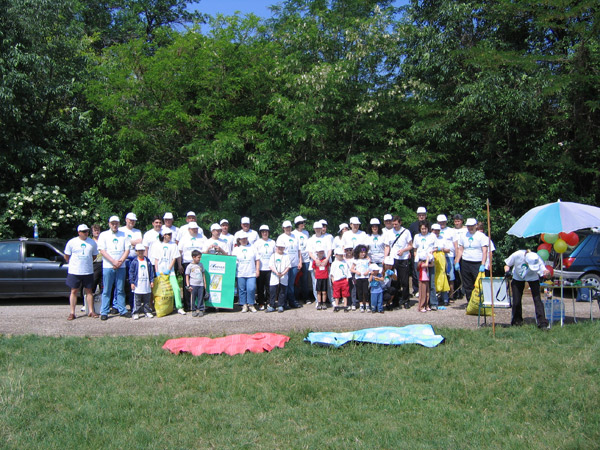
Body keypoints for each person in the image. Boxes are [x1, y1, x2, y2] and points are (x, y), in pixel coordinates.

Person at [504, 250, 549, 329]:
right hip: (518, 277)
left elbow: (544, 271)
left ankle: (542, 323)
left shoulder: (536, 258)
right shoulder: (517, 255)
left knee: (537, 299)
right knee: (516, 301)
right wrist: (507, 271)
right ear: (525, 260)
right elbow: (507, 265)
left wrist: (547, 273)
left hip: (533, 278)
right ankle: (517, 322)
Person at [97, 216, 130, 320]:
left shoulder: (124, 234)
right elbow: (102, 250)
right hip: (108, 266)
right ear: (109, 224)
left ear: (119, 224)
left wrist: (120, 261)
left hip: (121, 266)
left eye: (116, 223)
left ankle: (122, 310)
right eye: (112, 223)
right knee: (106, 290)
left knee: (120, 289)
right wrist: (113, 261)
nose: (114, 225)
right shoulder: (104, 235)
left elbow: (127, 250)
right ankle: (104, 311)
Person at [64, 224, 99, 320]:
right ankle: (72, 312)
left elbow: (94, 256)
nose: (86, 233)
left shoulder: (92, 243)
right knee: (74, 291)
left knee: (89, 291)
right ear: (79, 232)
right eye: (84, 232)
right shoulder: (72, 242)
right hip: (75, 271)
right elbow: (67, 256)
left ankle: (91, 311)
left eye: (87, 231)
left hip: (87, 270)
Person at [454, 218, 488, 303]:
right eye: (468, 226)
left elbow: (485, 251)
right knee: (467, 284)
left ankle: (479, 302)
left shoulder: (481, 236)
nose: (470, 228)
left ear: (475, 226)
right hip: (466, 262)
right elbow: (460, 249)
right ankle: (470, 302)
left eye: (472, 226)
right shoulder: (464, 236)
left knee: (477, 283)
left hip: (477, 262)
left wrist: (483, 264)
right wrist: (457, 261)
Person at [384, 215, 412, 309]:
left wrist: (403, 250)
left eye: (396, 224)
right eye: (393, 224)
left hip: (403, 259)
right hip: (393, 259)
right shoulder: (389, 233)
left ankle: (406, 300)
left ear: (400, 223)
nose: (394, 226)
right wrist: (385, 258)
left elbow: (410, 245)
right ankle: (395, 301)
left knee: (405, 281)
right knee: (394, 280)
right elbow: (387, 246)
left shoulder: (406, 232)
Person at [153, 228, 184, 314]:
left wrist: (169, 269)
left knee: (176, 289)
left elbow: (174, 258)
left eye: (171, 234)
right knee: (161, 290)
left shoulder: (173, 245)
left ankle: (179, 307)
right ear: (164, 235)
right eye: (168, 234)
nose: (170, 236)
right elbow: (156, 259)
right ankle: (161, 307)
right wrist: (157, 271)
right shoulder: (158, 245)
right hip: (160, 272)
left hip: (170, 272)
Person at [178, 221, 205, 312]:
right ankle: (188, 305)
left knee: (199, 283)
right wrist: (179, 264)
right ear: (189, 229)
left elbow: (206, 249)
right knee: (187, 285)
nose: (195, 230)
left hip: (199, 263)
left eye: (196, 229)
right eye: (193, 229)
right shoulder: (184, 238)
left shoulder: (202, 237)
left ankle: (199, 304)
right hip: (187, 262)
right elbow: (179, 251)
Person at [119, 212, 143, 307]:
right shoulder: (121, 230)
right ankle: (118, 305)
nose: (132, 222)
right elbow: (122, 243)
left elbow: (139, 242)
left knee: (133, 282)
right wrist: (132, 242)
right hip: (123, 259)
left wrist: (127, 242)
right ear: (126, 220)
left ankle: (133, 304)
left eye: (133, 220)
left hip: (134, 259)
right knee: (121, 283)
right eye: (130, 220)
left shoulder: (137, 231)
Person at [232, 231, 260, 313]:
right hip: (240, 273)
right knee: (242, 290)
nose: (244, 240)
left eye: (245, 239)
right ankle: (244, 305)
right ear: (239, 240)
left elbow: (257, 259)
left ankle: (251, 304)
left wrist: (257, 270)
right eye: (242, 239)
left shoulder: (252, 248)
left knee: (251, 289)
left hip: (251, 272)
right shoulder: (236, 249)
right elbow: (233, 261)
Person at [413, 221, 438, 310]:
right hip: (420, 261)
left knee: (431, 283)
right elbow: (415, 248)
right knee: (422, 284)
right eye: (422, 229)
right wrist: (416, 258)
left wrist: (431, 252)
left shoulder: (432, 236)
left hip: (429, 261)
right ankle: (422, 303)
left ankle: (433, 303)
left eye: (425, 229)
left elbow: (436, 247)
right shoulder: (417, 236)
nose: (424, 230)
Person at [307, 222, 332, 308]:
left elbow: (329, 250)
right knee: (315, 282)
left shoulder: (326, 238)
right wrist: (316, 260)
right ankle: (318, 301)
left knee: (328, 282)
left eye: (319, 228)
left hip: (326, 263)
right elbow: (310, 252)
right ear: (314, 229)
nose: (318, 230)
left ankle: (331, 299)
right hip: (315, 263)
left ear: (322, 229)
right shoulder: (311, 239)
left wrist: (326, 259)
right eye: (316, 228)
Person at [279, 220, 302, 309]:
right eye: (286, 227)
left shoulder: (295, 237)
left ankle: (292, 301)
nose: (288, 229)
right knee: (284, 284)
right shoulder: (281, 237)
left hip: (294, 264)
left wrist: (300, 261)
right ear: (283, 228)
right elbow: (278, 251)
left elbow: (299, 250)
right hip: (285, 265)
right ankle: (283, 302)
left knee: (291, 284)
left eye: (289, 227)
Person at [129, 243, 155, 320]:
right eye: (139, 251)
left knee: (147, 299)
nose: (140, 253)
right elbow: (131, 272)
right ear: (136, 252)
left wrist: (151, 281)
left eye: (142, 251)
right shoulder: (134, 261)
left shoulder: (147, 261)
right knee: (137, 299)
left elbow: (151, 271)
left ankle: (147, 311)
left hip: (146, 283)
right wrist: (132, 282)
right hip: (138, 284)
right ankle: (136, 312)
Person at [254, 224, 275, 310]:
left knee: (269, 286)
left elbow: (275, 255)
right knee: (260, 287)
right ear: (260, 233)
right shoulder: (257, 243)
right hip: (260, 268)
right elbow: (255, 257)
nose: (265, 233)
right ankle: (261, 303)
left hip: (270, 268)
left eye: (266, 231)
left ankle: (269, 302)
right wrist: (256, 269)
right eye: (263, 232)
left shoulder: (272, 242)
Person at [409, 207, 429, 297]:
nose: (421, 216)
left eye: (423, 215)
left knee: (428, 271)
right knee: (415, 270)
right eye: (420, 215)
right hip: (416, 251)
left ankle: (427, 289)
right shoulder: (412, 226)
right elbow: (409, 240)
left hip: (427, 253)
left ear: (426, 215)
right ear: (417, 216)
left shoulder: (430, 225)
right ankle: (416, 289)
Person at [437, 214, 457, 301]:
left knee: (450, 276)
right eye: (440, 222)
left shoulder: (451, 231)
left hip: (450, 256)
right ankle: (441, 295)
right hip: (438, 256)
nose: (442, 223)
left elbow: (456, 244)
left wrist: (456, 258)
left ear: (446, 221)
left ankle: (451, 295)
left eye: (443, 222)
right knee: (440, 275)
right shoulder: (435, 230)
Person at [269, 238, 291, 313]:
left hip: (283, 276)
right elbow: (271, 265)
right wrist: (276, 272)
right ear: (276, 247)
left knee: (282, 291)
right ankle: (272, 305)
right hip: (274, 275)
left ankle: (280, 305)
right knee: (272, 291)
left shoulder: (286, 256)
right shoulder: (273, 255)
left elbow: (288, 266)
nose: (280, 249)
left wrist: (283, 273)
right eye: (279, 247)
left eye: (282, 247)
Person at [293, 215, 311, 304]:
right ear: (298, 224)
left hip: (306, 259)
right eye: (302, 223)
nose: (304, 224)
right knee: (296, 279)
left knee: (305, 279)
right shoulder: (293, 234)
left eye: (304, 222)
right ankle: (295, 297)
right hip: (296, 260)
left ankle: (306, 297)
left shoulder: (306, 233)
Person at [431, 223, 451, 306]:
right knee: (433, 278)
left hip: (441, 258)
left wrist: (440, 249)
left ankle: (445, 298)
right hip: (432, 258)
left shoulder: (443, 238)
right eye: (435, 230)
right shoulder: (429, 237)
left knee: (443, 277)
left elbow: (448, 249)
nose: (436, 232)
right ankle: (434, 299)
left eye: (438, 230)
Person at [185, 249, 208, 317]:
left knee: (200, 297)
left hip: (200, 284)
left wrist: (204, 284)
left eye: (200, 257)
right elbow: (187, 276)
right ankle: (193, 309)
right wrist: (188, 285)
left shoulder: (201, 265)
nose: (199, 259)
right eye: (198, 257)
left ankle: (201, 309)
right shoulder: (190, 266)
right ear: (193, 257)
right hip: (193, 284)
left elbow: (203, 274)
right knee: (193, 298)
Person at [351, 244, 371, 312]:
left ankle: (367, 305)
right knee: (359, 291)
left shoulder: (367, 260)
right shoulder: (356, 260)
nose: (363, 254)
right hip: (358, 278)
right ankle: (361, 305)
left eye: (364, 252)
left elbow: (371, 268)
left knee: (366, 291)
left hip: (365, 277)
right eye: (361, 252)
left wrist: (367, 271)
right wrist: (356, 272)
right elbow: (352, 269)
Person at [330, 247, 351, 312]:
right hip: (337, 280)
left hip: (344, 279)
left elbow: (347, 270)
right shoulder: (334, 263)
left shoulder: (345, 262)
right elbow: (332, 272)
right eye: (340, 255)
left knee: (345, 294)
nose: (341, 256)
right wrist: (333, 280)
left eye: (342, 255)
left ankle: (345, 305)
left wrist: (347, 279)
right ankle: (336, 305)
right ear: (336, 255)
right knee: (336, 294)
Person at [452, 214, 467, 300]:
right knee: (456, 274)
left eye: (458, 221)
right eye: (455, 221)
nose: (457, 223)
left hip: (464, 254)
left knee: (463, 273)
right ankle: (456, 291)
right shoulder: (451, 230)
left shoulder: (465, 230)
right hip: (454, 254)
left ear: (462, 221)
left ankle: (463, 290)